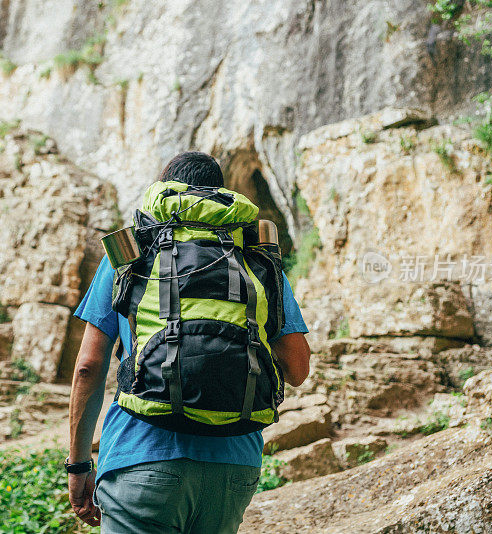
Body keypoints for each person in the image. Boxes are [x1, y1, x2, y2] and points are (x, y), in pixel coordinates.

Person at [67, 151, 311, 534]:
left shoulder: (130, 251)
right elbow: (297, 370)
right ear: (222, 196)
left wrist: (79, 465)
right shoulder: (255, 257)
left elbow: (88, 367)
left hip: (140, 460)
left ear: (164, 186)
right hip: (233, 468)